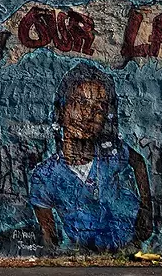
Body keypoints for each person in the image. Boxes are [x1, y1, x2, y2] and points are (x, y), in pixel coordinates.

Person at [29, 62, 153, 252]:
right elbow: (49, 235)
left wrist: (146, 209)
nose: (88, 115)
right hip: (85, 253)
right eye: (80, 103)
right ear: (61, 112)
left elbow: (138, 162)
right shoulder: (45, 176)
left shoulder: (112, 154)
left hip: (129, 248)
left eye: (100, 108)